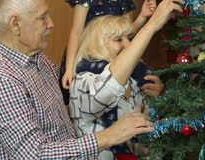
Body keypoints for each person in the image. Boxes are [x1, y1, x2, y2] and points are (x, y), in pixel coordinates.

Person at [0, 0, 180, 159]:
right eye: (42, 17)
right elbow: (34, 154)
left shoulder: (37, 60)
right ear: (15, 24)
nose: (51, 23)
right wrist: (110, 136)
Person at [60, 0, 158, 103]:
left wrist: (142, 17)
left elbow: (127, 35)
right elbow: (76, 33)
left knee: (147, 79)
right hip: (91, 60)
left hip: (116, 58)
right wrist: (70, 69)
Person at [69, 15, 165, 160]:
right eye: (118, 39)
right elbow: (103, 95)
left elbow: (142, 136)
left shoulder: (133, 80)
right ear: (97, 44)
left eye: (129, 38)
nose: (128, 45)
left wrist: (158, 99)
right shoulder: (83, 80)